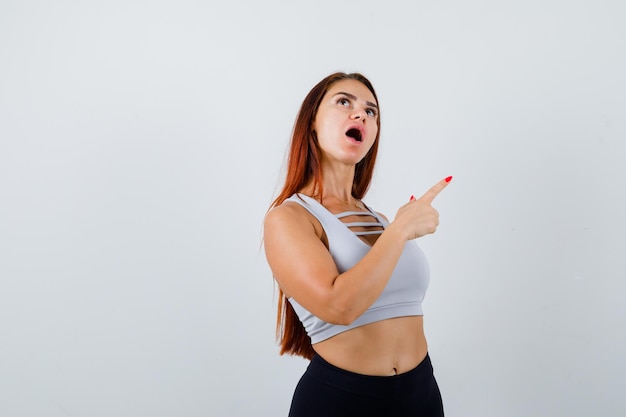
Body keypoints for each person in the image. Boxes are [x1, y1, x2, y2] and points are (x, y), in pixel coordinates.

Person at [263, 72, 451, 416]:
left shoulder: (379, 218)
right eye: (344, 102)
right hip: (341, 399)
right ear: (313, 124)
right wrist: (401, 230)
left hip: (420, 393)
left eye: (371, 111)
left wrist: (397, 227)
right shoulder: (290, 218)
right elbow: (340, 308)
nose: (361, 114)